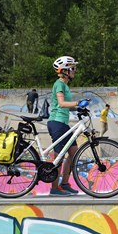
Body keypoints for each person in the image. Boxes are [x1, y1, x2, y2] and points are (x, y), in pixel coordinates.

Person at [47, 56, 82, 196]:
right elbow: (61, 104)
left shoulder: (65, 85)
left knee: (74, 153)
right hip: (56, 123)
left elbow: (66, 106)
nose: (75, 70)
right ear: (64, 70)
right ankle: (54, 189)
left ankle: (65, 183)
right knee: (59, 156)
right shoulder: (59, 84)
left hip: (63, 124)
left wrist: (79, 108)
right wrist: (77, 103)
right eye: (72, 68)